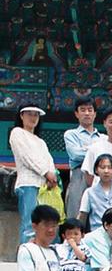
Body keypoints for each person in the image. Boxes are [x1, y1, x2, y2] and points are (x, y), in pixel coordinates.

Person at [9, 102, 59, 242]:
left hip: (44, 187)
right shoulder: (17, 133)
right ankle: (26, 258)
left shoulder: (40, 141)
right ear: (21, 116)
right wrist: (45, 172)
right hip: (28, 184)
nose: (33, 117)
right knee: (30, 224)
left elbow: (49, 160)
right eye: (29, 114)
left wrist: (52, 176)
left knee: (48, 224)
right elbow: (27, 157)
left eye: (36, 114)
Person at [63, 96, 101, 219]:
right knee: (76, 217)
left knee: (99, 216)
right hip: (79, 175)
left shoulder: (103, 138)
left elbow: (109, 158)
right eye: (83, 110)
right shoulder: (71, 134)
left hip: (99, 176)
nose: (87, 113)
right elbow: (75, 155)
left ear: (95, 114)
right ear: (76, 114)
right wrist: (96, 153)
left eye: (90, 110)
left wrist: (86, 150)